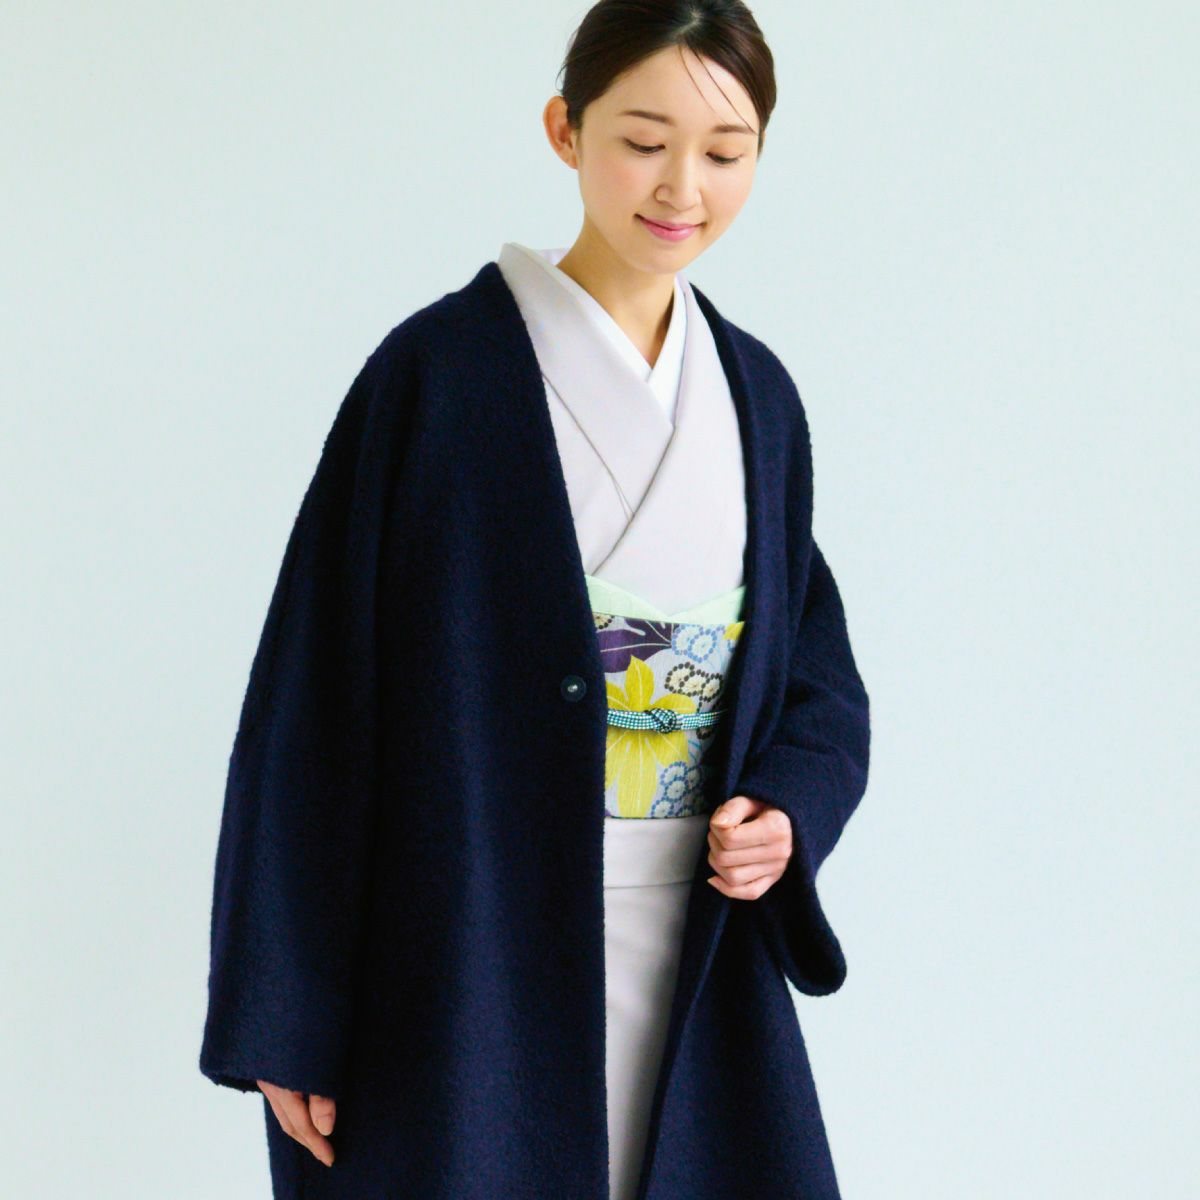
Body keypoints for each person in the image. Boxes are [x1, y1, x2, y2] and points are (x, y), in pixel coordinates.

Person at [198, 3, 871, 1198]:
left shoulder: (755, 396)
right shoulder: (438, 377)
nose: (682, 187)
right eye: (643, 141)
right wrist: (284, 1014)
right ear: (566, 130)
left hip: (693, 931)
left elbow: (814, 674)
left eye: (725, 152)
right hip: (470, 937)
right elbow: (313, 706)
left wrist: (786, 805)